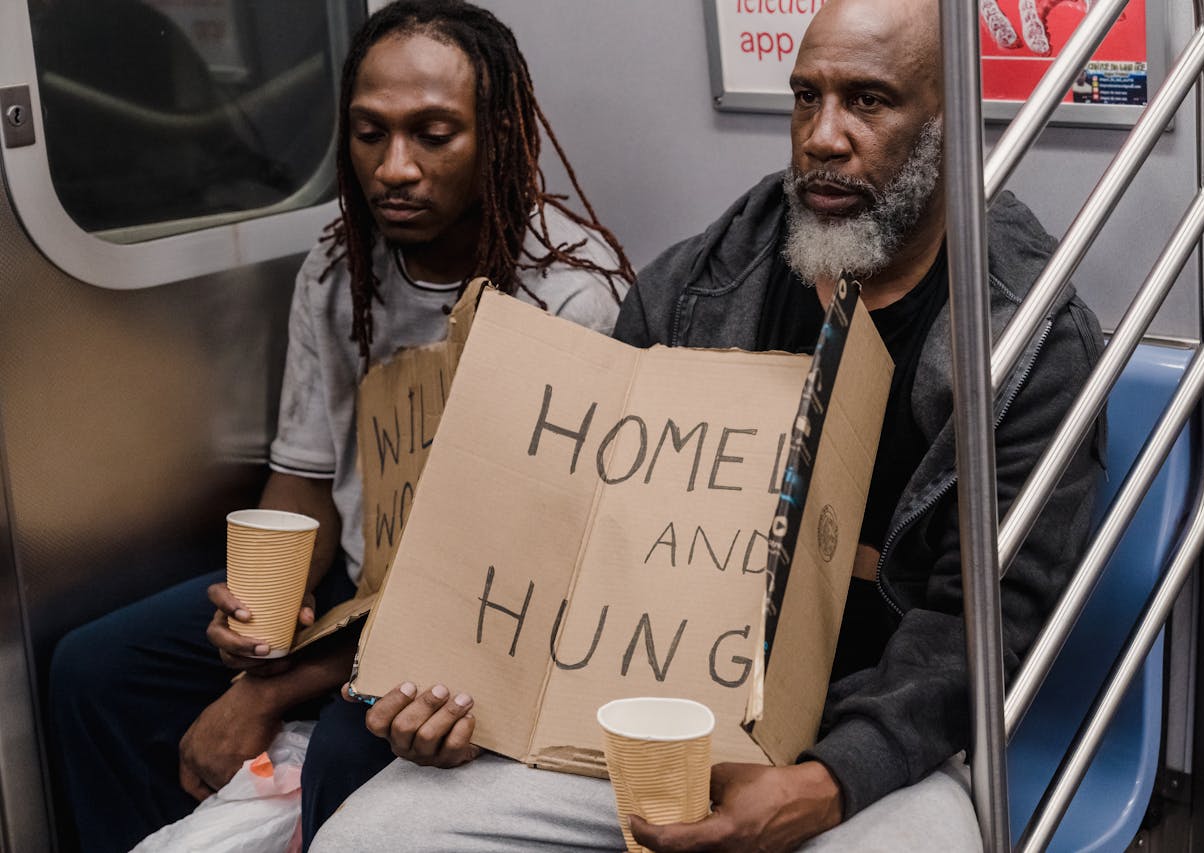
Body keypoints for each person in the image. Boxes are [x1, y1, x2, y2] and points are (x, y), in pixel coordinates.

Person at [308, 0, 1104, 850]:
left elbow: (983, 625)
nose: (822, 137)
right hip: (660, 706)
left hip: (876, 744)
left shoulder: (1026, 340)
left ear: (950, 120)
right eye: (806, 97)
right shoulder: (703, 281)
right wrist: (473, 688)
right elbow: (573, 536)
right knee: (371, 836)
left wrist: (827, 781)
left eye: (868, 101)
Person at [47, 2, 633, 850]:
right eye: (369, 133)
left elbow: (532, 587)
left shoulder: (569, 297)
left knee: (342, 756)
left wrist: (272, 690)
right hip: (356, 597)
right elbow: (307, 478)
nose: (394, 167)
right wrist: (266, 613)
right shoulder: (337, 269)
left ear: (497, 136)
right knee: (93, 670)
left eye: (434, 134)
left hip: (483, 624)